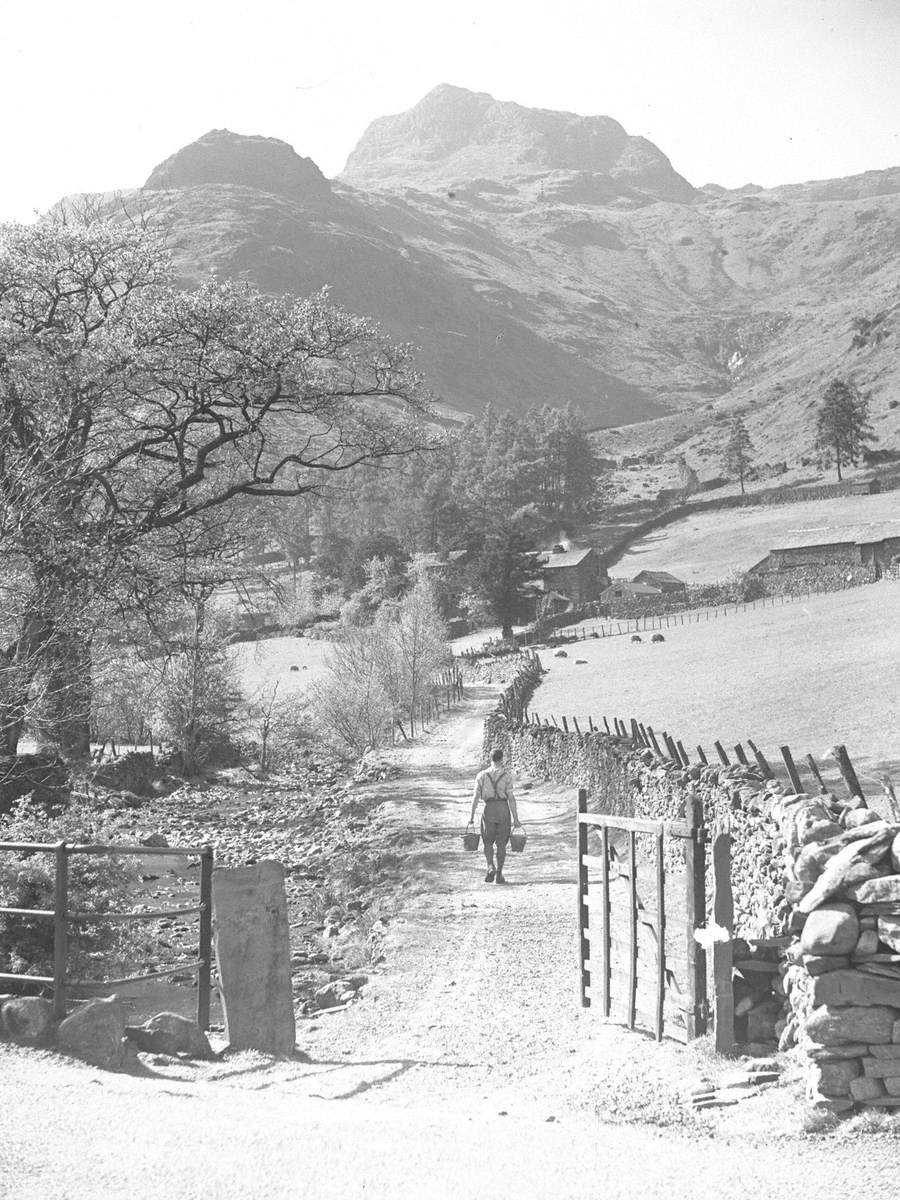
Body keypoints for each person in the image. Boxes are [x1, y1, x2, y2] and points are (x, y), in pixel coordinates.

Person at [468, 747, 522, 884]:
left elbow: (475, 797)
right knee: (502, 844)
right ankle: (499, 874)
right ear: (502, 759)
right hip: (503, 810)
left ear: (490, 759)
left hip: (489, 809)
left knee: (487, 842)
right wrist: (516, 819)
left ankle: (490, 866)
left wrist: (471, 816)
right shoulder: (507, 776)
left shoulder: (481, 775)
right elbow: (511, 798)